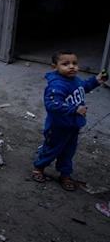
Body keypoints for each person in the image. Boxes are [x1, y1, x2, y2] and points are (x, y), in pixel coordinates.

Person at [31, 51, 108, 191]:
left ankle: (65, 174)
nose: (71, 67)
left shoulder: (75, 80)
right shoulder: (57, 85)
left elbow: (83, 87)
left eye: (74, 63)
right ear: (55, 67)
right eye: (65, 64)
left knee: (68, 151)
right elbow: (52, 104)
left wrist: (96, 80)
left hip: (73, 126)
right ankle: (39, 167)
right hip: (58, 126)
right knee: (51, 149)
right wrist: (74, 109)